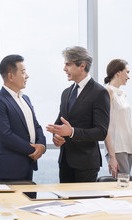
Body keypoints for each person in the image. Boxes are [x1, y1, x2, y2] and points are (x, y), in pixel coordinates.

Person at [46, 46, 110, 183]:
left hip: (86, 164)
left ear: (82, 66)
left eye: (68, 64)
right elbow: (60, 122)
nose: (64, 69)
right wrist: (56, 135)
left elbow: (101, 132)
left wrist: (72, 132)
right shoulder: (66, 93)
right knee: (65, 203)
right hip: (65, 162)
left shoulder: (99, 92)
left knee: (83, 204)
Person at [0, 54, 46, 181]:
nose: (27, 76)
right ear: (11, 76)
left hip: (28, 164)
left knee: (30, 199)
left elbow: (36, 126)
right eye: (23, 72)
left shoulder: (26, 98)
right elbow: (5, 135)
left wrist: (41, 145)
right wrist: (33, 150)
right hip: (10, 166)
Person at [103, 59, 132, 178]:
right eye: (127, 72)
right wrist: (111, 155)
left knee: (125, 183)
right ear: (118, 72)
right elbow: (104, 125)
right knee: (122, 184)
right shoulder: (108, 91)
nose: (129, 76)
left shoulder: (123, 94)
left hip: (129, 146)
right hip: (117, 147)